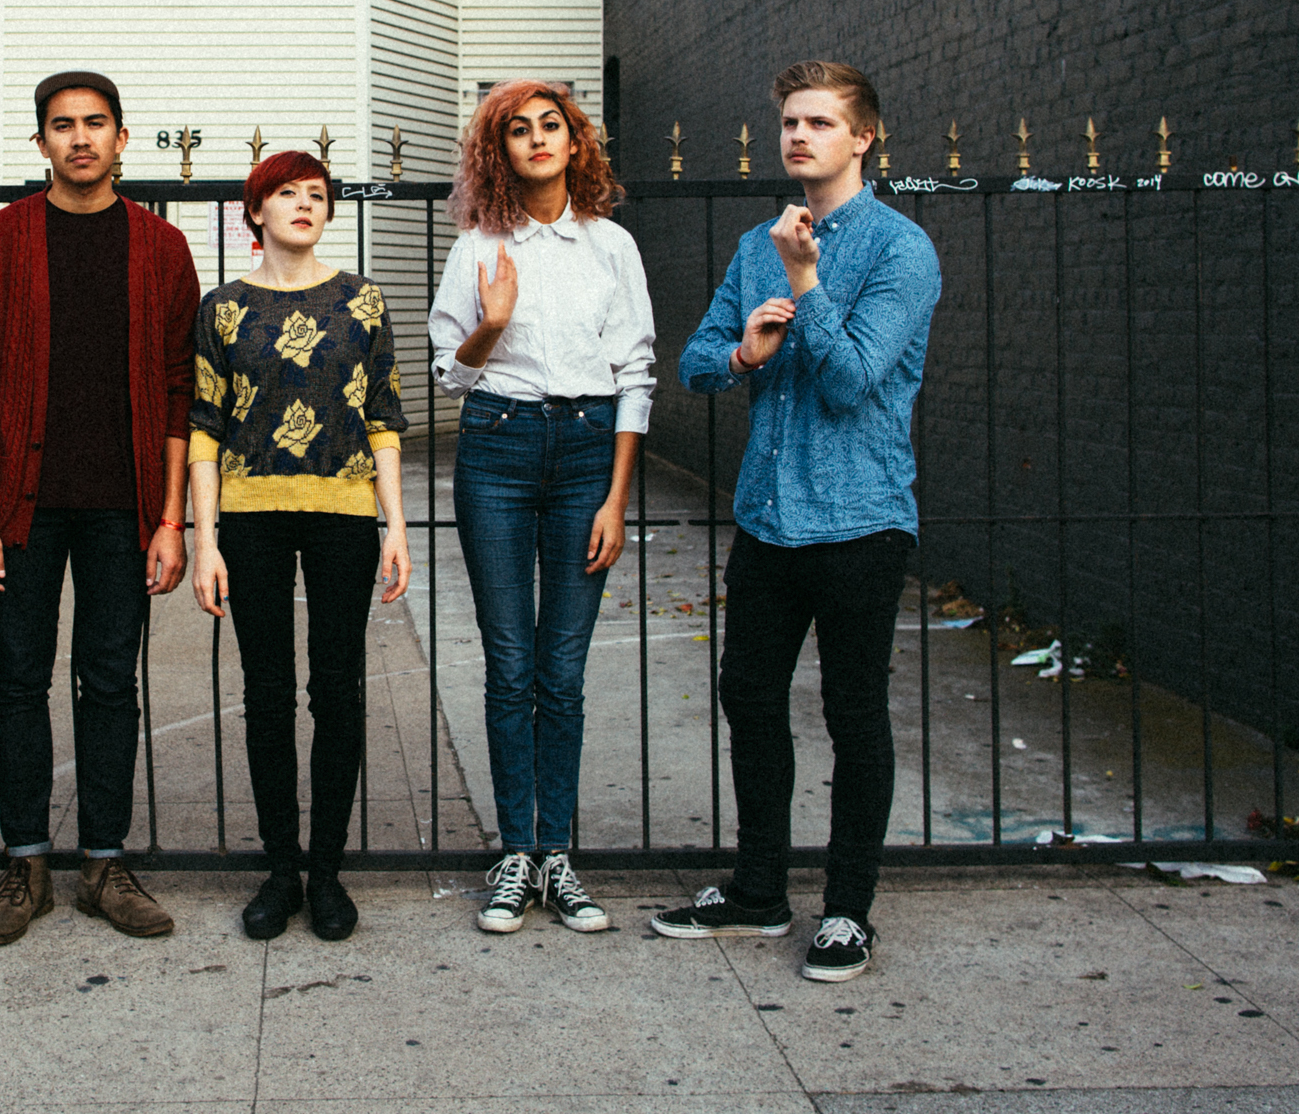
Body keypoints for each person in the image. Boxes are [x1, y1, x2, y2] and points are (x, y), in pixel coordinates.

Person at [650, 59, 940, 985]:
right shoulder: (755, 245)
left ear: (864, 138)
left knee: (853, 714)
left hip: (860, 521)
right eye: (790, 123)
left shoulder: (901, 250)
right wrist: (744, 351)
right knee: (749, 699)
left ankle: (848, 911)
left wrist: (807, 282)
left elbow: (851, 383)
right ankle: (758, 890)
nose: (799, 136)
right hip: (769, 522)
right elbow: (695, 364)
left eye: (820, 122)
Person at [0, 71, 198, 944]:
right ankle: (25, 865)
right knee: (18, 677)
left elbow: (179, 391)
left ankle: (103, 864)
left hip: (123, 507)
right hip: (22, 506)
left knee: (109, 681)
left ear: (122, 139)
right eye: (63, 125)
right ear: (41, 142)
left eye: (96, 124)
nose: (80, 138)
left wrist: (170, 519)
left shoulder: (160, 248)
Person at [428, 80, 655, 936]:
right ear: (499, 152)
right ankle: (515, 855)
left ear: (575, 140)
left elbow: (636, 372)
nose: (536, 139)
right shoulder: (477, 247)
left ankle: (557, 854)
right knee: (510, 664)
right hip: (498, 446)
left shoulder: (611, 246)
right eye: (517, 130)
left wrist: (617, 498)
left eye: (549, 125)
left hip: (589, 452)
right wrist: (492, 323)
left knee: (562, 670)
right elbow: (451, 373)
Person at [186, 151, 413, 942]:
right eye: (287, 193)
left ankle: (326, 871)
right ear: (256, 210)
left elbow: (383, 416)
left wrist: (395, 525)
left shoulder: (362, 300)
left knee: (338, 692)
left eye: (317, 195)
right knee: (268, 694)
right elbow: (204, 427)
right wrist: (205, 541)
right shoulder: (223, 308)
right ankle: (281, 869)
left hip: (343, 515)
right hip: (251, 516)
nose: (304, 205)